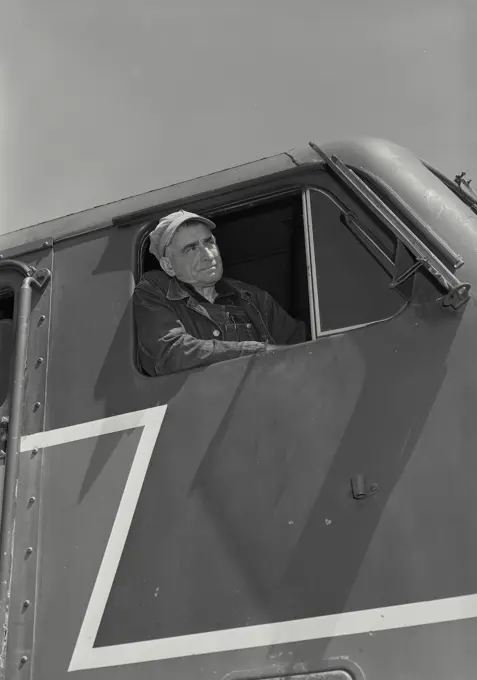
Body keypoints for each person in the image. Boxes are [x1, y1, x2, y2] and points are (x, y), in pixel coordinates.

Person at [133, 210, 308, 376]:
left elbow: (304, 348)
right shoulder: (153, 292)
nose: (208, 254)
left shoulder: (252, 297)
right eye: (191, 248)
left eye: (209, 242)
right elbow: (170, 352)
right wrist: (258, 351)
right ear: (168, 266)